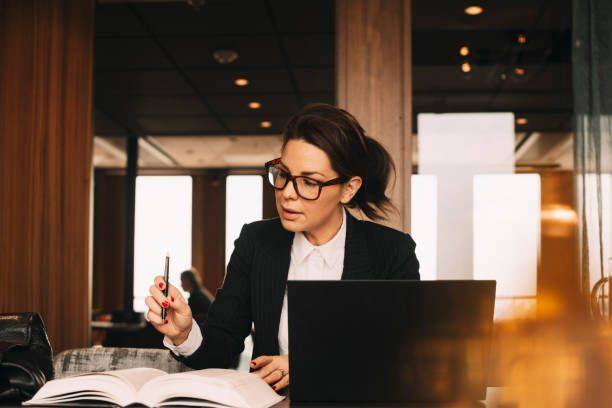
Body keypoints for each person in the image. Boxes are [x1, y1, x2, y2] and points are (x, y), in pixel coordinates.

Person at [145, 103, 420, 392]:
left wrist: (306, 363)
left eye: (309, 182)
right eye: (283, 174)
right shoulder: (256, 241)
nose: (288, 193)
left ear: (348, 188)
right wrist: (185, 334)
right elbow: (222, 346)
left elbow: (400, 358)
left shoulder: (391, 251)